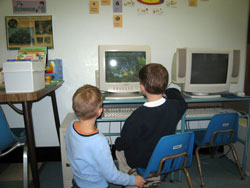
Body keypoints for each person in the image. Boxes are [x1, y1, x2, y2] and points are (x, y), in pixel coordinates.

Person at [115, 63, 187, 184]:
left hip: (141, 161)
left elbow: (124, 142)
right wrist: (170, 90)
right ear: (164, 85)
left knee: (119, 149)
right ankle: (153, 178)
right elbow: (181, 100)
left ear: (142, 87)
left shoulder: (137, 117)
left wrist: (117, 143)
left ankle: (132, 181)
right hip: (165, 160)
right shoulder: (176, 107)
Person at [65, 84, 146, 188]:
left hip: (78, 182)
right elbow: (111, 175)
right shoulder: (99, 142)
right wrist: (133, 180)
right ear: (100, 111)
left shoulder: (71, 126)